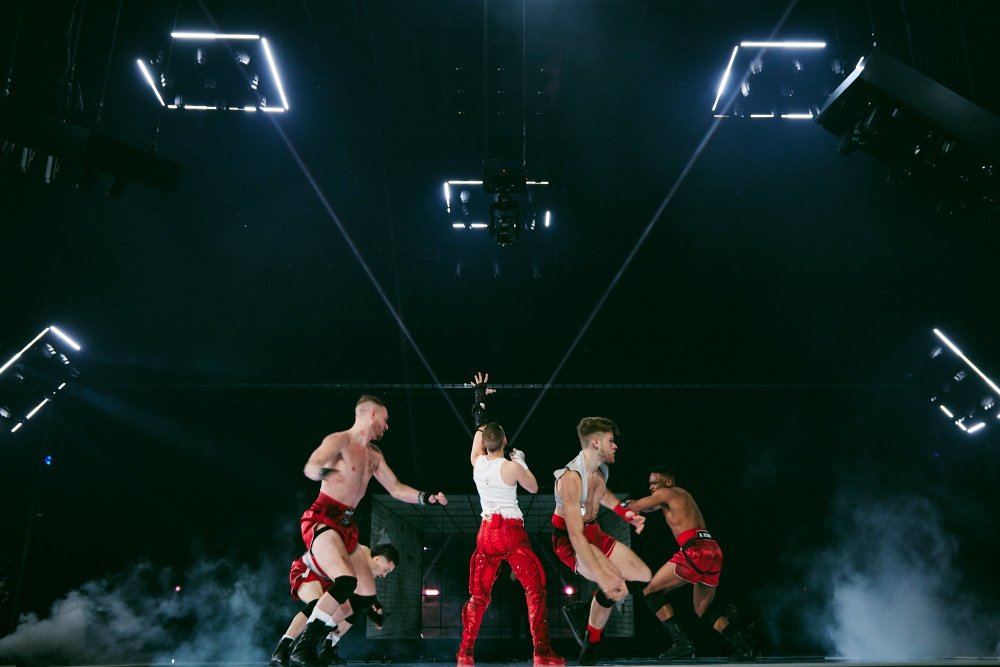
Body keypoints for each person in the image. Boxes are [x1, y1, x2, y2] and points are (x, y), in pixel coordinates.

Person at [288, 395, 448, 666]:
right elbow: (311, 467)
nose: (387, 427)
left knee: (350, 590)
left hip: (346, 525)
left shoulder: (375, 455)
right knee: (346, 581)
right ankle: (301, 649)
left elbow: (396, 488)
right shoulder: (339, 441)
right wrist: (325, 473)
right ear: (372, 414)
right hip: (322, 517)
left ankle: (302, 647)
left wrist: (426, 497)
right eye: (385, 420)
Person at [456, 373, 564, 667]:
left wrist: (479, 399)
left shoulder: (477, 463)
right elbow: (532, 486)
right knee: (535, 588)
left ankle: (465, 655)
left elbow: (479, 431)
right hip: (510, 532)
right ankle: (542, 653)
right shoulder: (511, 466)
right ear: (505, 440)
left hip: (485, 533)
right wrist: (521, 460)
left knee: (478, 596)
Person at [552, 417, 652, 665]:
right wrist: (601, 576)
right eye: (611, 441)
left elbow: (602, 492)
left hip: (594, 532)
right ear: (595, 442)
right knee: (613, 582)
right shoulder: (571, 480)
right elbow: (575, 536)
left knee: (643, 576)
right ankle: (592, 643)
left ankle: (589, 607)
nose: (615, 445)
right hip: (571, 540)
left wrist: (625, 514)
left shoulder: (599, 470)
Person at [626, 465, 751, 661]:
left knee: (650, 590)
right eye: (649, 484)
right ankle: (742, 646)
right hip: (713, 550)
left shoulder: (668, 492)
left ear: (667, 482)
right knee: (702, 609)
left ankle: (681, 641)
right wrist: (638, 505)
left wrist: (613, 504)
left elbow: (641, 505)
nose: (651, 487)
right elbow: (650, 506)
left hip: (696, 551)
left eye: (654, 483)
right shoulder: (680, 496)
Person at [270, 543, 398, 666]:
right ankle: (282, 650)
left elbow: (363, 598)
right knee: (317, 606)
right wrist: (375, 615)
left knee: (353, 609)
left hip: (332, 581)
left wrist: (375, 608)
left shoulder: (369, 571)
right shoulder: (357, 555)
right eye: (386, 570)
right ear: (377, 559)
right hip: (310, 570)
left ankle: (328, 648)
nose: (384, 575)